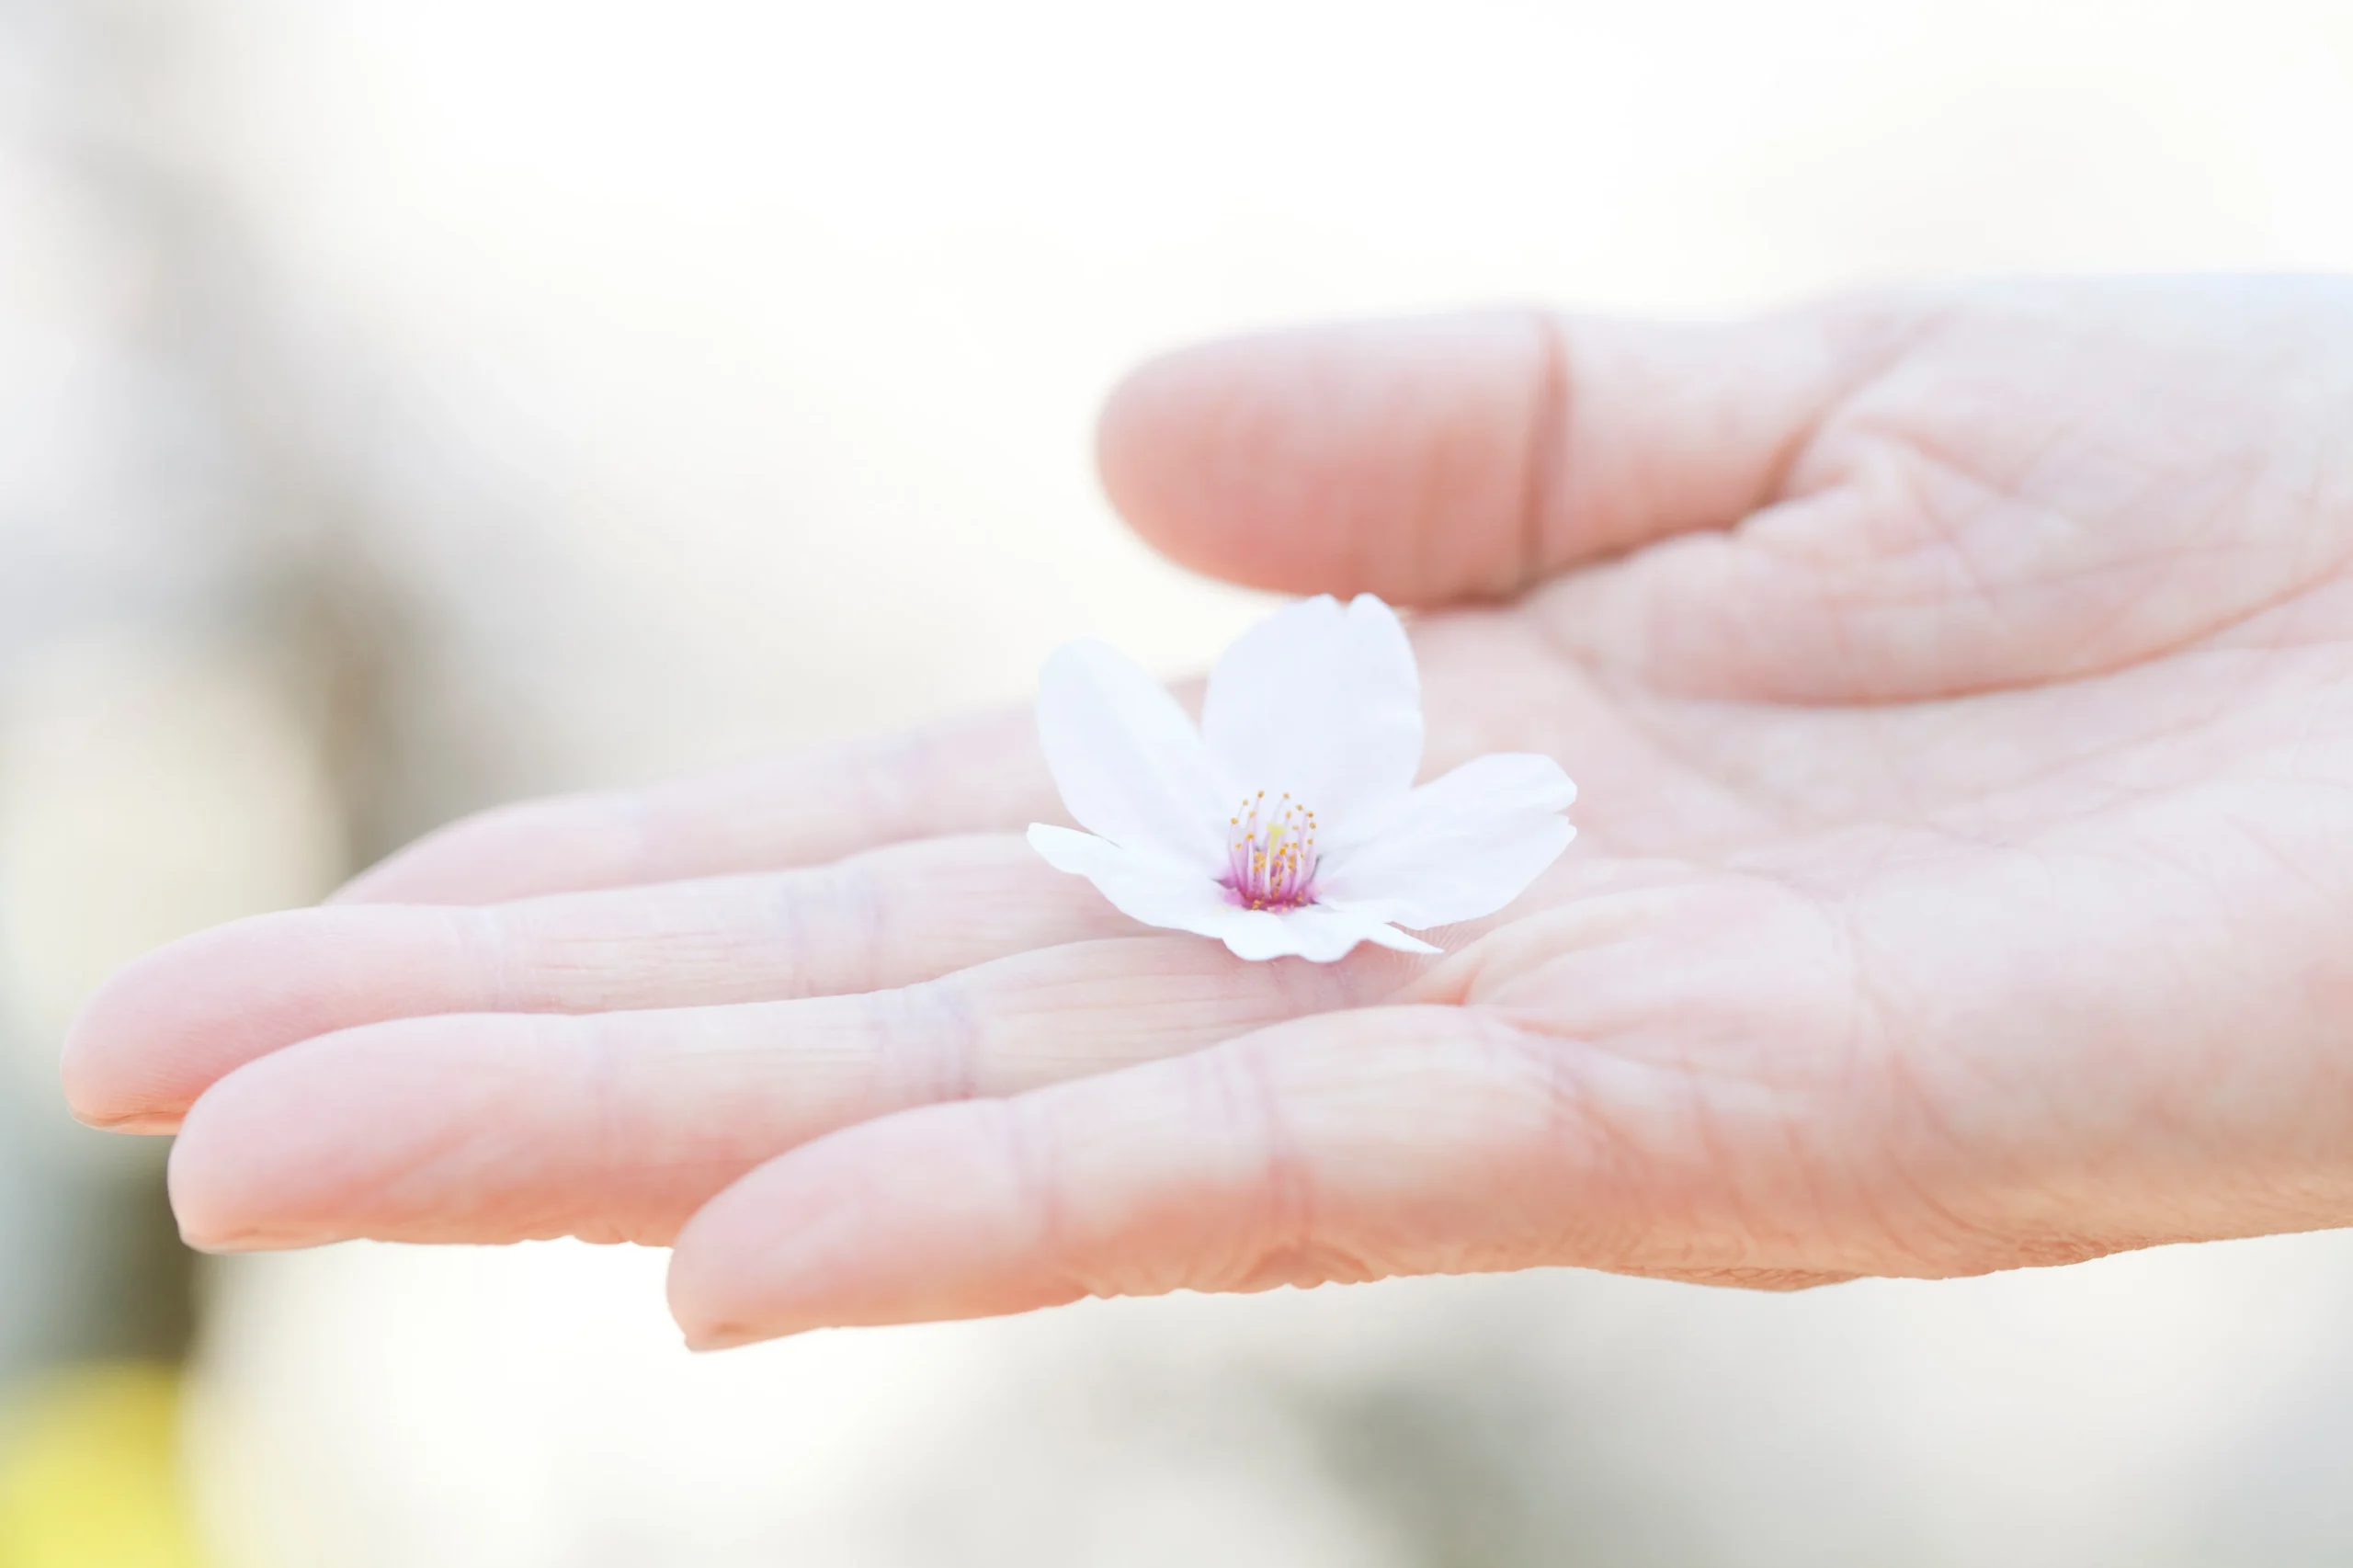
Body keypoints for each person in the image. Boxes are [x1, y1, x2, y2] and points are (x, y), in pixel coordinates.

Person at [58, 278, 2353, 1350]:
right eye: (1258, 838)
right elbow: (1155, 818)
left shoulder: (1395, 836)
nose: (1270, 848)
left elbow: (1347, 844)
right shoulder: (1175, 826)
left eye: (1284, 838)